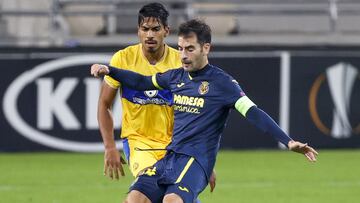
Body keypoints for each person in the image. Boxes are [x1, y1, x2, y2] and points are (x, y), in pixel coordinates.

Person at [91, 19, 318, 203]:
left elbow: (253, 112)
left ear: (205, 48)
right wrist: (110, 70)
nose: (183, 55)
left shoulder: (223, 84)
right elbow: (140, 81)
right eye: (180, 49)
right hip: (170, 157)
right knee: (134, 198)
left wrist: (287, 141)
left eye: (190, 49)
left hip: (196, 162)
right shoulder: (176, 76)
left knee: (171, 201)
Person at [97, 2, 216, 192]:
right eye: (145, 29)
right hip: (139, 142)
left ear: (166, 31)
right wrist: (110, 147)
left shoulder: (180, 61)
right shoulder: (123, 59)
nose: (150, 34)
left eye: (155, 29)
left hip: (175, 145)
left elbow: (196, 114)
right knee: (150, 188)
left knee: (176, 195)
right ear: (138, 31)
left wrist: (201, 157)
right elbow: (104, 104)